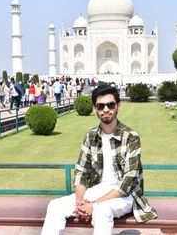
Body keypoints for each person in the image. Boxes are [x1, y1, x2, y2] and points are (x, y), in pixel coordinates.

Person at [41, 85, 157, 235]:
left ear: (118, 107)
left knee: (101, 211)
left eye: (110, 105)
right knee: (55, 205)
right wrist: (80, 202)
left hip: (126, 195)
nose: (106, 109)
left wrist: (93, 205)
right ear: (95, 109)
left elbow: (128, 181)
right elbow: (81, 172)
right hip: (99, 189)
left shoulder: (130, 137)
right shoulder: (91, 136)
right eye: (100, 106)